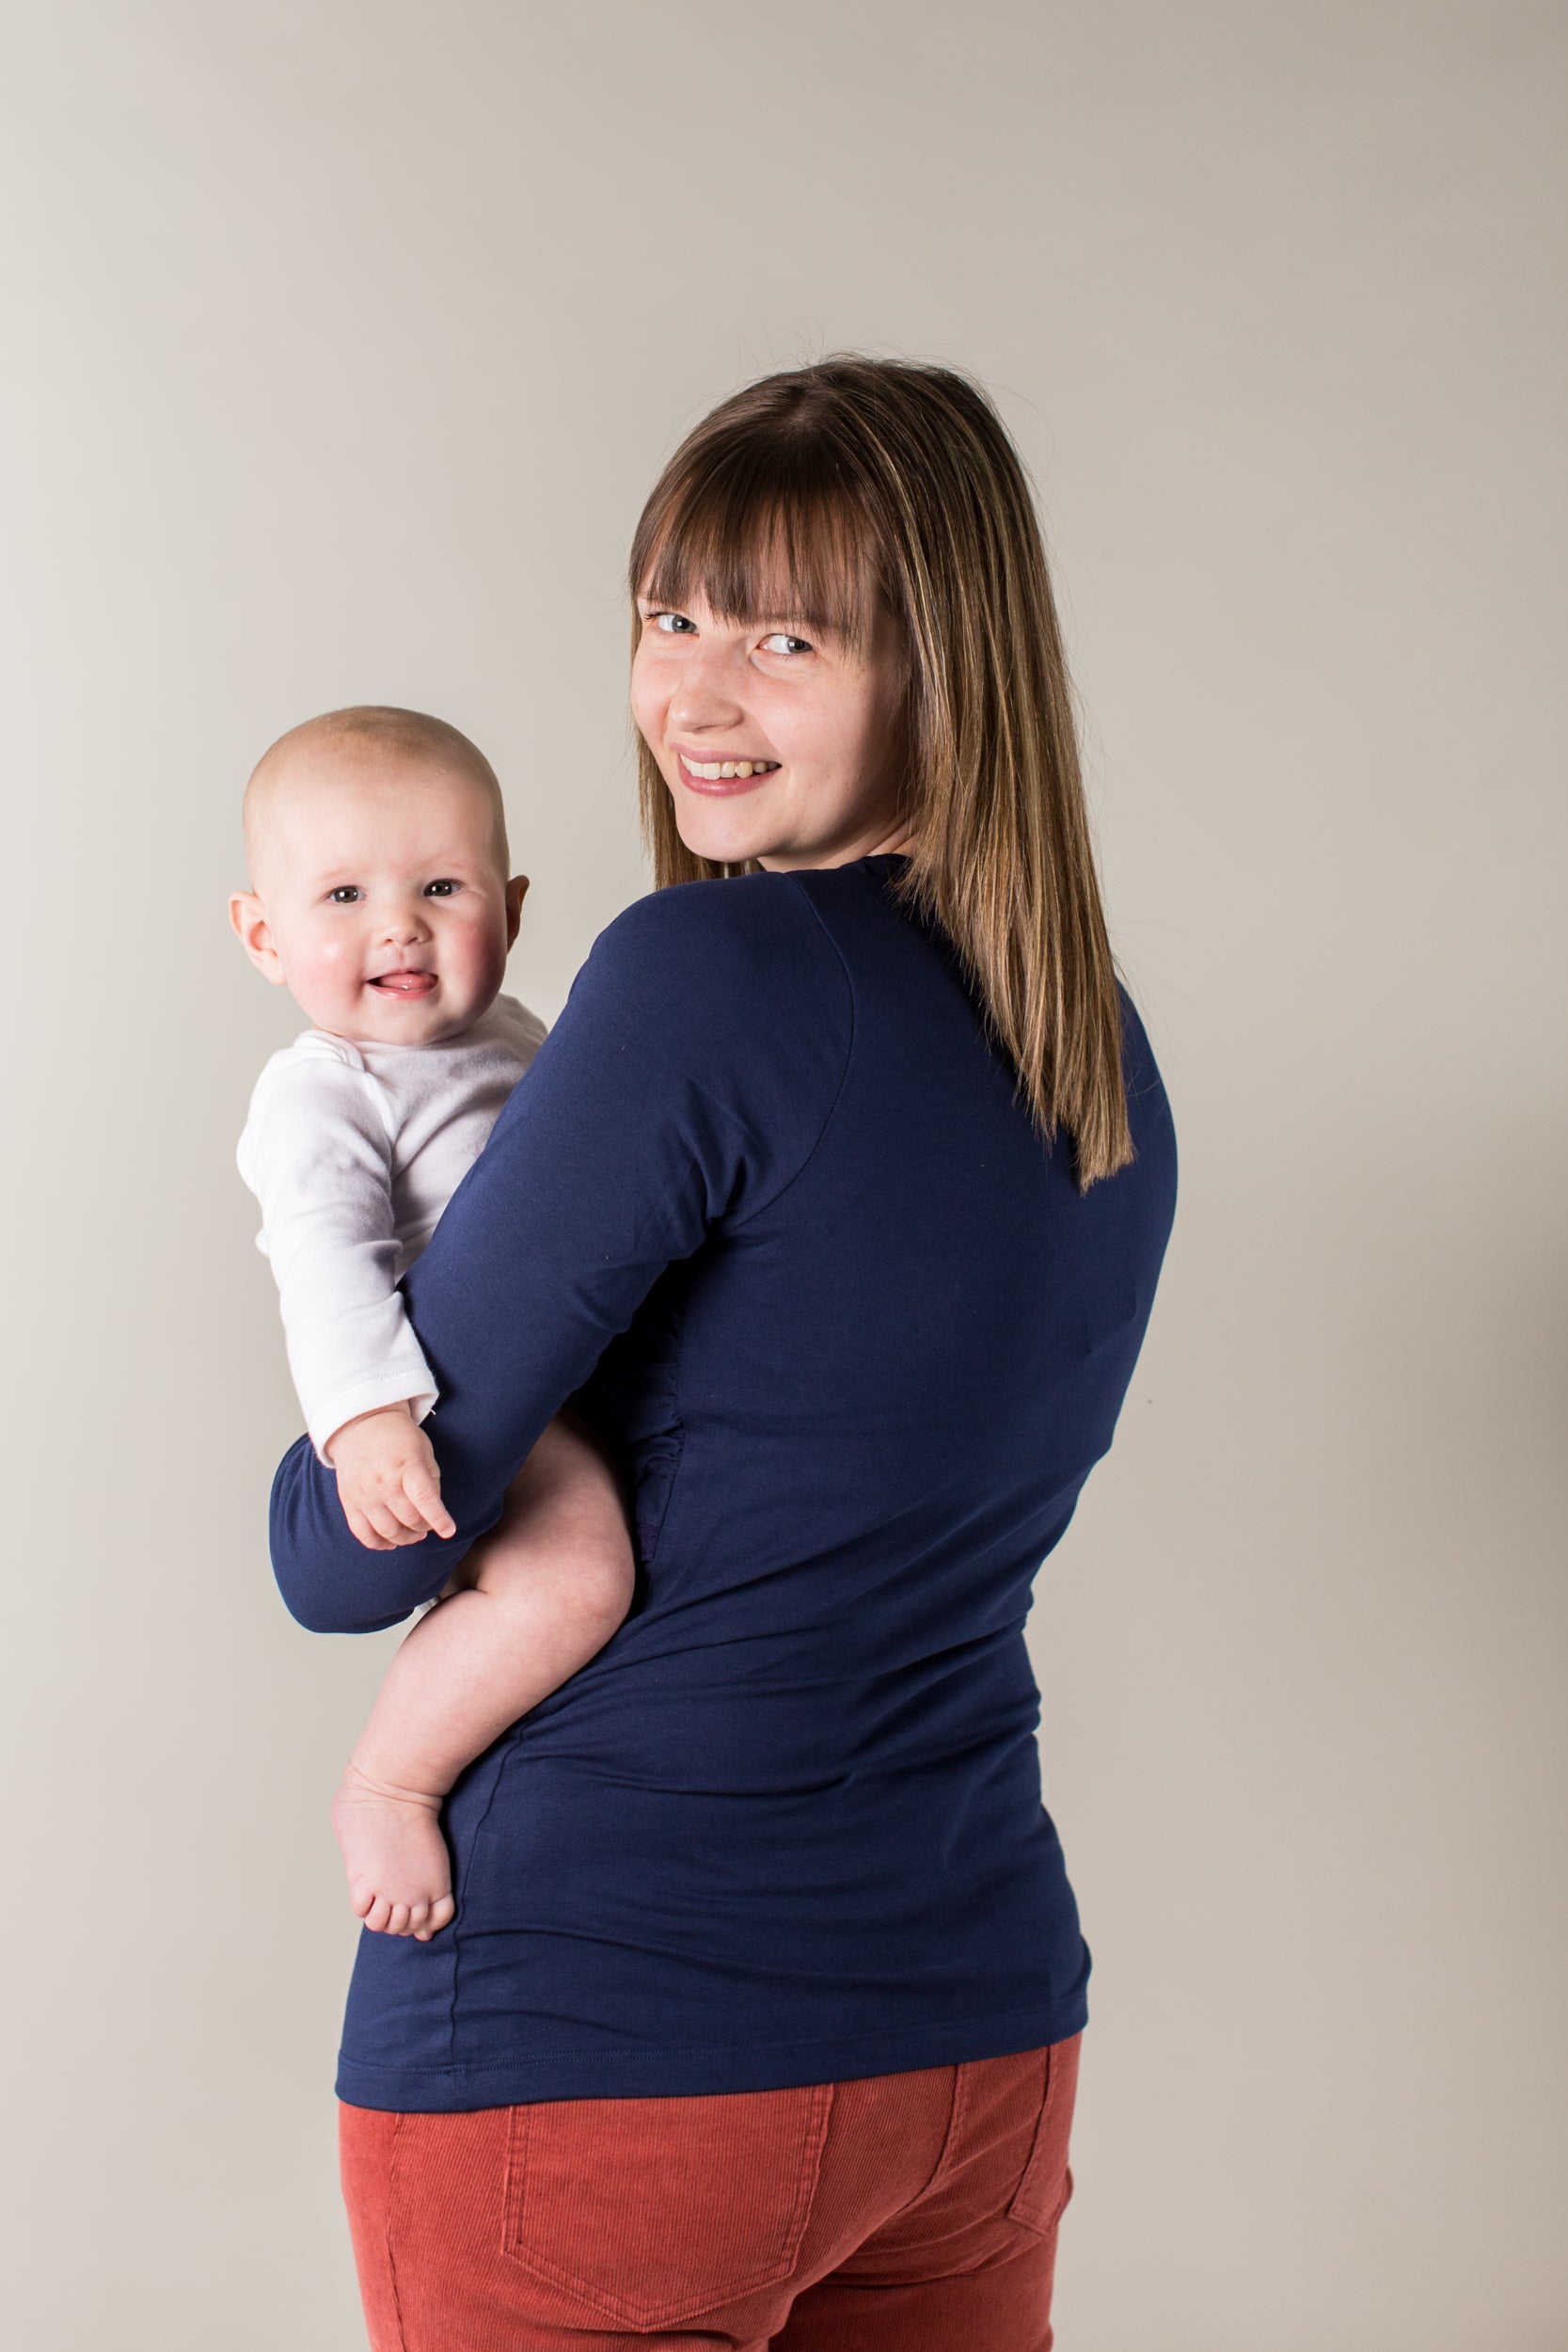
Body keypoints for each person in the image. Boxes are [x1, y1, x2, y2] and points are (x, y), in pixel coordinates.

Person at [270, 357, 1179, 2350]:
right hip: (977, 2033)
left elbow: (348, 1554)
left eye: (783, 636)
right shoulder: (1095, 1044)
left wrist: (354, 1287)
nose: (694, 691)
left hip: (605, 2043)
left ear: (944, 663)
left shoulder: (708, 976)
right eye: (669, 617)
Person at [232, 707, 634, 1941]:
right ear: (263, 935)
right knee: (574, 1581)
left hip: (586, 1367)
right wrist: (368, 1423)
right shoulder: (321, 1093)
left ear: (510, 909)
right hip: (458, 1400)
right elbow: (327, 1265)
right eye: (343, 893)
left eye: (441, 886)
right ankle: (390, 1781)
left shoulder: (520, 1038)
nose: (399, 924)